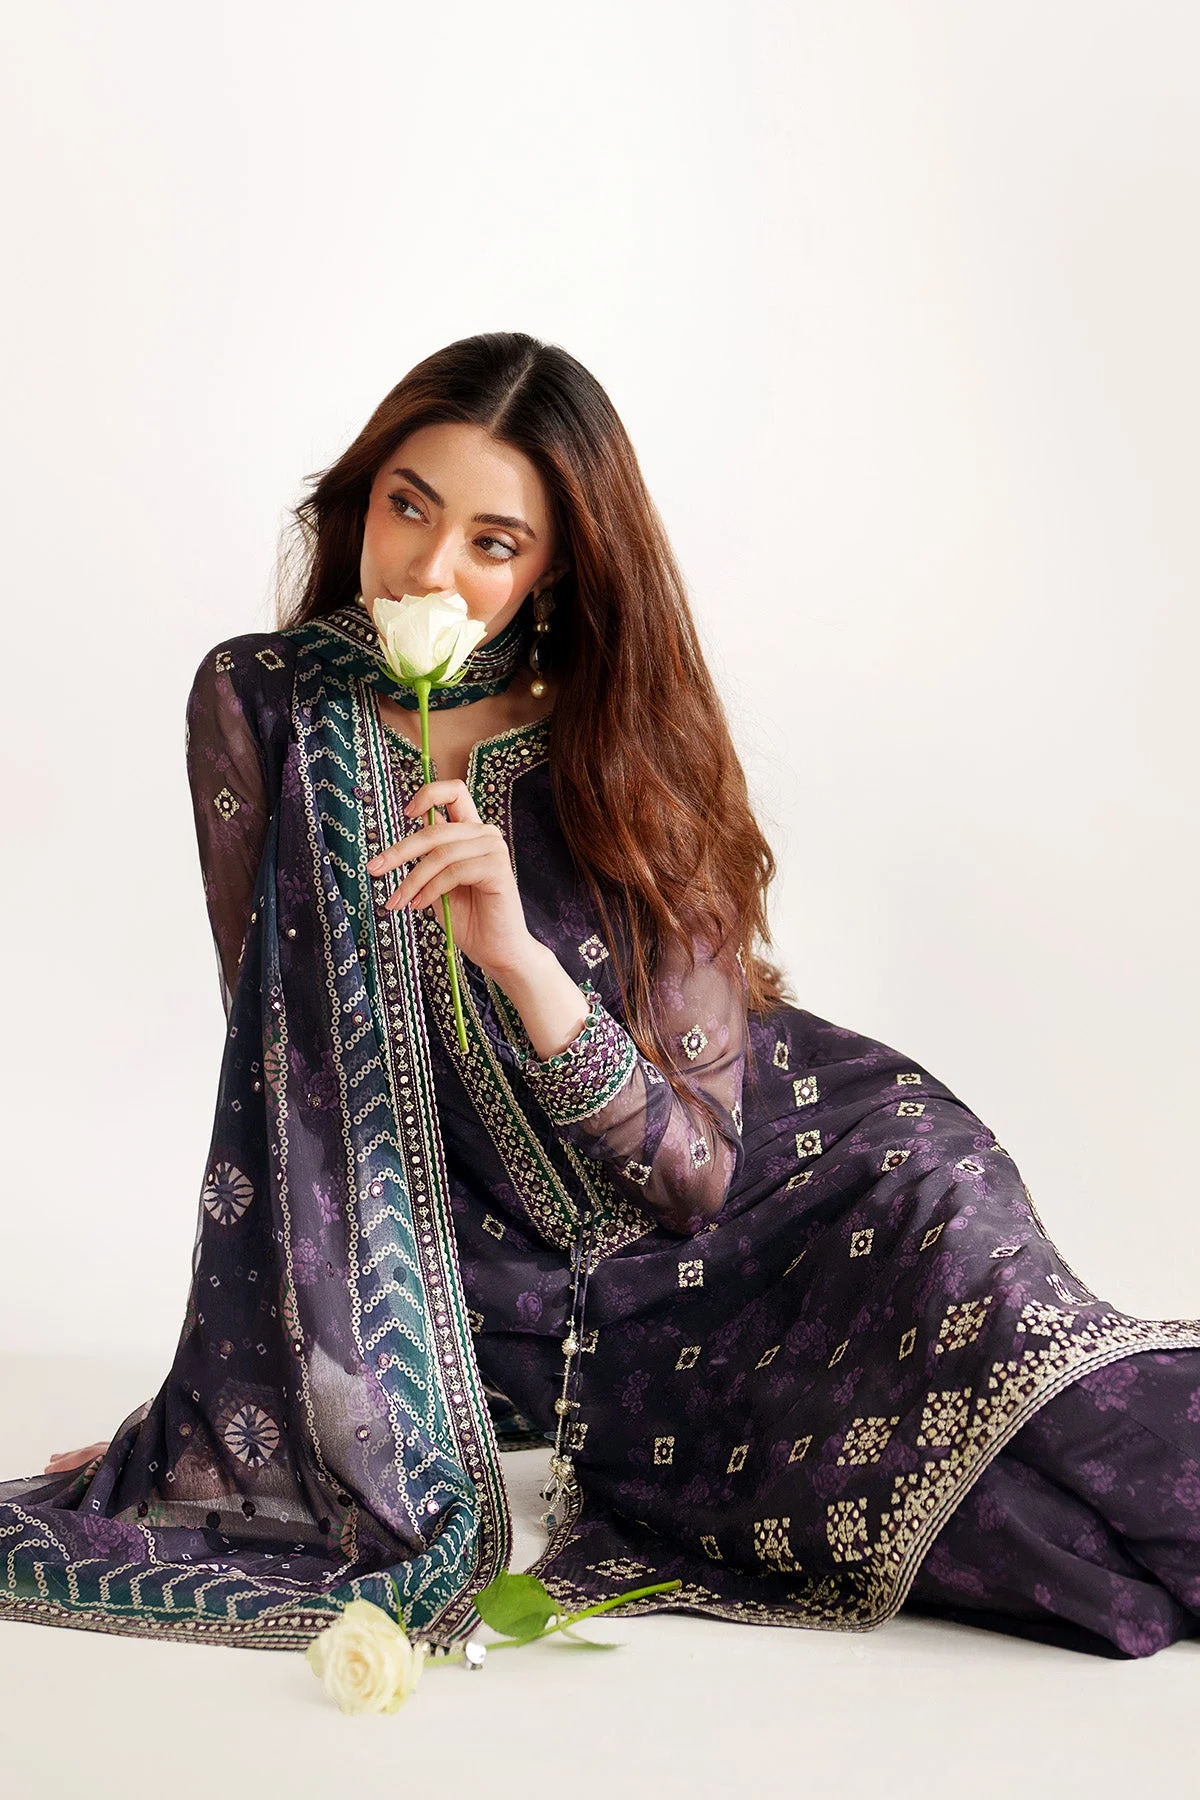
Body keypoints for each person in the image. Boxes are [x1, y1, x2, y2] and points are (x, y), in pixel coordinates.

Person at [9, 331, 1200, 1661]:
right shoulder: (263, 705)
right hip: (555, 1320)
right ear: (363, 498)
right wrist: (235, 1410)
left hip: (826, 1184)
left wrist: (517, 958)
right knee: (1025, 1547)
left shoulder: (627, 731)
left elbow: (696, 1175)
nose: (430, 569)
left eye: (493, 542)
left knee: (1082, 1424)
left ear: (558, 566)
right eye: (409, 506)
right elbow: (287, 1097)